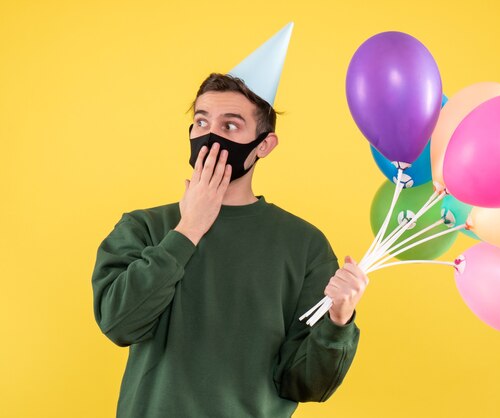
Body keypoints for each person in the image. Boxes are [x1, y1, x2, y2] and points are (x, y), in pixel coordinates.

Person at [91, 24, 369, 418]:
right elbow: (118, 323)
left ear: (264, 145)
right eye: (202, 122)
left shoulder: (304, 245)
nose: (210, 137)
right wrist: (187, 231)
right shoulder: (144, 228)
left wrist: (339, 321)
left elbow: (304, 383)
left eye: (231, 126)